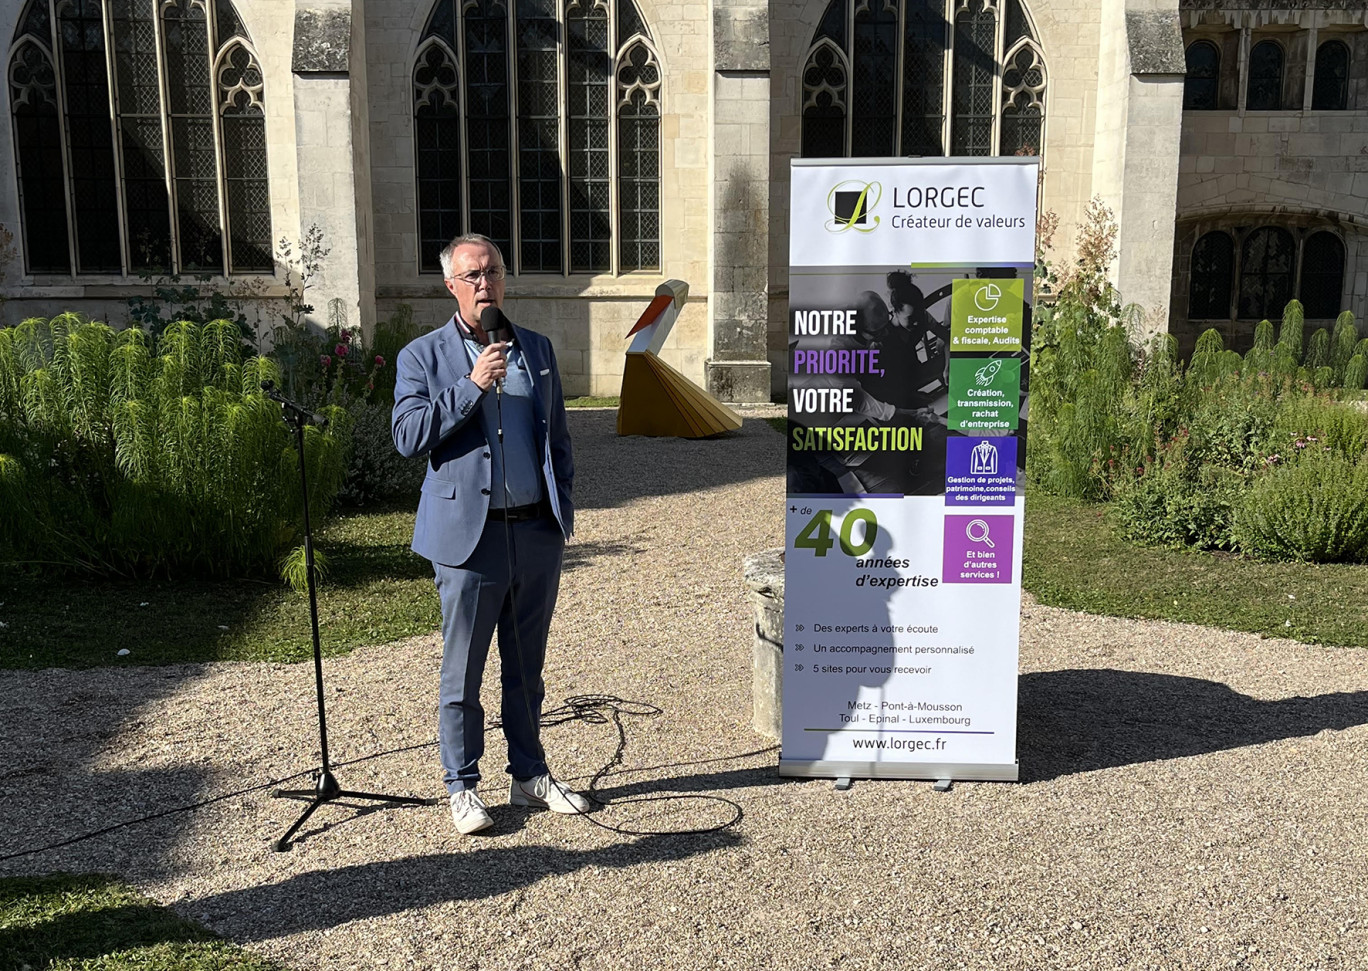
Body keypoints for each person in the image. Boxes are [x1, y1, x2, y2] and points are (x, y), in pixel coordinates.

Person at [392, 233, 588, 835]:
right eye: (473, 276)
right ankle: (462, 785)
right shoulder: (421, 357)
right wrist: (472, 384)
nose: (486, 284)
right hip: (468, 542)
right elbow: (407, 435)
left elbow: (557, 440)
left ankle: (529, 774)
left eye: (494, 273)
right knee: (464, 670)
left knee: (528, 667)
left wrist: (563, 515)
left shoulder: (537, 349)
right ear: (451, 285)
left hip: (534, 534)